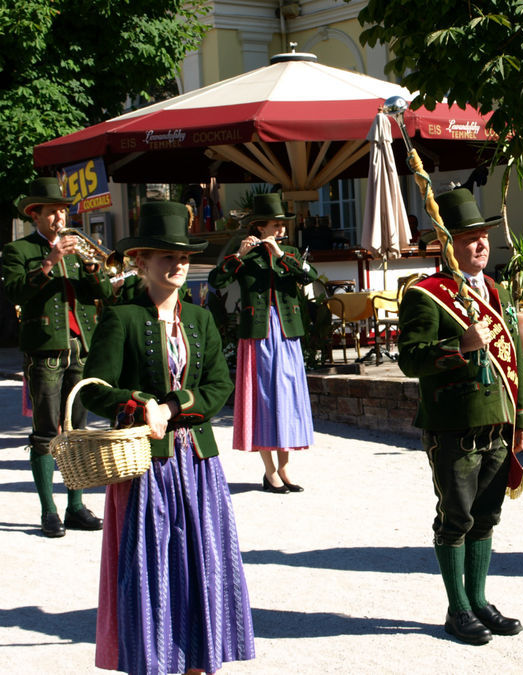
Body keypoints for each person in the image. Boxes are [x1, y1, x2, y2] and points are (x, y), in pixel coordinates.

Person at [80, 200, 255, 673]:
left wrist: (174, 404)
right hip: (145, 465)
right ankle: (156, 662)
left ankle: (199, 660)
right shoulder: (122, 318)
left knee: (202, 565)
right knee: (153, 567)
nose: (178, 264)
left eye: (183, 257)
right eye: (165, 256)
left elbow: (221, 384)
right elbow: (95, 390)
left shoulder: (199, 321)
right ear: (141, 262)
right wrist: (139, 402)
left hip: (198, 464)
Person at [398, 188, 523, 645]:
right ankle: (457, 610)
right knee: (455, 519)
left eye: (483, 237)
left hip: (499, 420)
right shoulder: (424, 294)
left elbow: (513, 357)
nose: (480, 245)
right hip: (453, 425)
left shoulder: (495, 290)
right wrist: (460, 346)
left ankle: (478, 601)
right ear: (446, 242)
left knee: (487, 516)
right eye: (469, 237)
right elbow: (411, 360)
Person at [1, 177, 113, 537]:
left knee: (77, 430)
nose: (60, 219)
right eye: (52, 213)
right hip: (46, 349)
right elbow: (15, 291)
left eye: (63, 212)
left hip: (80, 346)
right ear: (36, 215)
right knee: (46, 433)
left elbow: (102, 292)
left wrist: (95, 270)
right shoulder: (19, 251)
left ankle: (76, 506)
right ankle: (49, 511)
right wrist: (49, 261)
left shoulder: (78, 247)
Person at [208, 192, 317, 493]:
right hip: (258, 333)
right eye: (275, 225)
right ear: (259, 227)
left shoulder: (290, 252)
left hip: (287, 331)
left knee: (287, 398)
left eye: (282, 225)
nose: (281, 230)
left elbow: (310, 276)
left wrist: (280, 253)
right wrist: (239, 256)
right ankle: (269, 472)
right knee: (265, 400)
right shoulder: (246, 256)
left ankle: (285, 468)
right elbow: (216, 281)